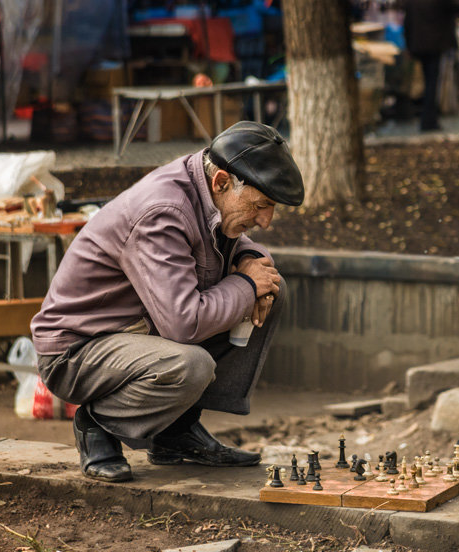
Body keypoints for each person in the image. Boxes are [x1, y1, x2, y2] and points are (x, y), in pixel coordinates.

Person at [31, 122, 304, 483]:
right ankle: (99, 421)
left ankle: (176, 431)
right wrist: (245, 283)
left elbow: (231, 241)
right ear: (222, 181)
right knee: (191, 364)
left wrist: (250, 259)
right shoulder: (163, 212)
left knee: (270, 286)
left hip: (139, 332)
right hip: (78, 350)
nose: (266, 221)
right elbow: (183, 324)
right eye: (261, 205)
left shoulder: (206, 186)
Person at [403, 0, 459, 132]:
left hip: (418, 46)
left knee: (428, 82)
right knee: (432, 83)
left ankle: (427, 119)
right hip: (436, 46)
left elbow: (407, 25)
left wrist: (409, 46)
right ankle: (429, 121)